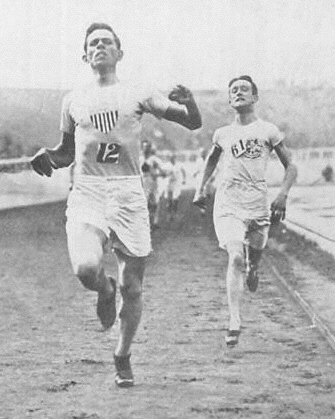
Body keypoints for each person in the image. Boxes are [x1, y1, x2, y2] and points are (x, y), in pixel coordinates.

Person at [30, 23, 201, 387]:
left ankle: (122, 355)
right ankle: (104, 291)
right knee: (85, 268)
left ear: (119, 53)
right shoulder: (73, 100)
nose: (100, 46)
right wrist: (48, 156)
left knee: (133, 287)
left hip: (128, 193)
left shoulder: (138, 92)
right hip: (88, 190)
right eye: (93, 43)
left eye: (107, 42)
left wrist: (190, 102)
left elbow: (192, 122)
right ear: (85, 55)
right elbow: (65, 152)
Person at [193, 75, 297, 346]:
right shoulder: (222, 134)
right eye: (234, 90)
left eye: (244, 89)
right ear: (230, 100)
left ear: (255, 97)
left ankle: (255, 267)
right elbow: (211, 161)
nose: (238, 93)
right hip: (228, 201)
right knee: (236, 256)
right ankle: (234, 321)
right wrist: (200, 189)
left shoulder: (268, 131)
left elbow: (291, 166)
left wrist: (283, 195)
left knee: (254, 253)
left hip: (258, 201)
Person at [140, 139, 165, 229]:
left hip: (153, 181)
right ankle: (145, 221)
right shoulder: (140, 159)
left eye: (147, 147)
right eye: (144, 147)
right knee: (144, 202)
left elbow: (162, 172)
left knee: (155, 202)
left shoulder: (154, 159)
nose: (146, 149)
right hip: (143, 181)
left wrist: (158, 174)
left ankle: (154, 221)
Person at [164, 153, 186, 221]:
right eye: (170, 158)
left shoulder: (179, 165)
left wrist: (184, 179)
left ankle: (174, 214)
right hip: (169, 184)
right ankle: (169, 214)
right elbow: (162, 173)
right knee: (169, 200)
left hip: (176, 184)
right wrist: (166, 175)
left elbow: (183, 171)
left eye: (173, 157)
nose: (172, 159)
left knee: (175, 199)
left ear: (175, 158)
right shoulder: (166, 165)